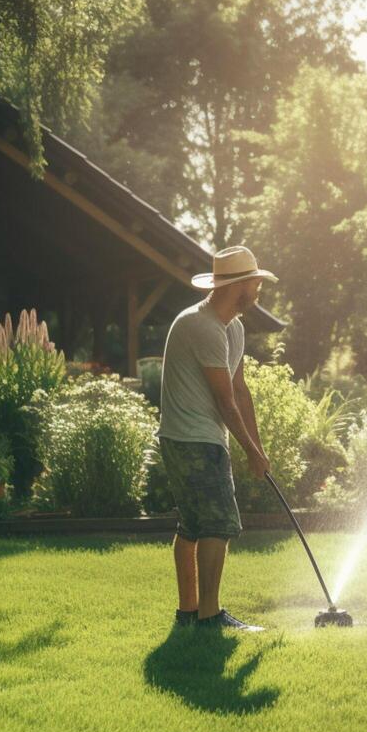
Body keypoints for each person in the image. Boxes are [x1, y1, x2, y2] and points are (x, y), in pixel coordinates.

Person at [155, 245, 277, 631]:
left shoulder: (233, 327)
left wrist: (258, 450)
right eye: (255, 281)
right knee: (216, 524)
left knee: (192, 525)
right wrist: (249, 453)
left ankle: (189, 613)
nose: (259, 286)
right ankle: (209, 617)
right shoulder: (202, 326)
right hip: (193, 439)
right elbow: (224, 401)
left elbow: (240, 390)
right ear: (239, 286)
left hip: (195, 438)